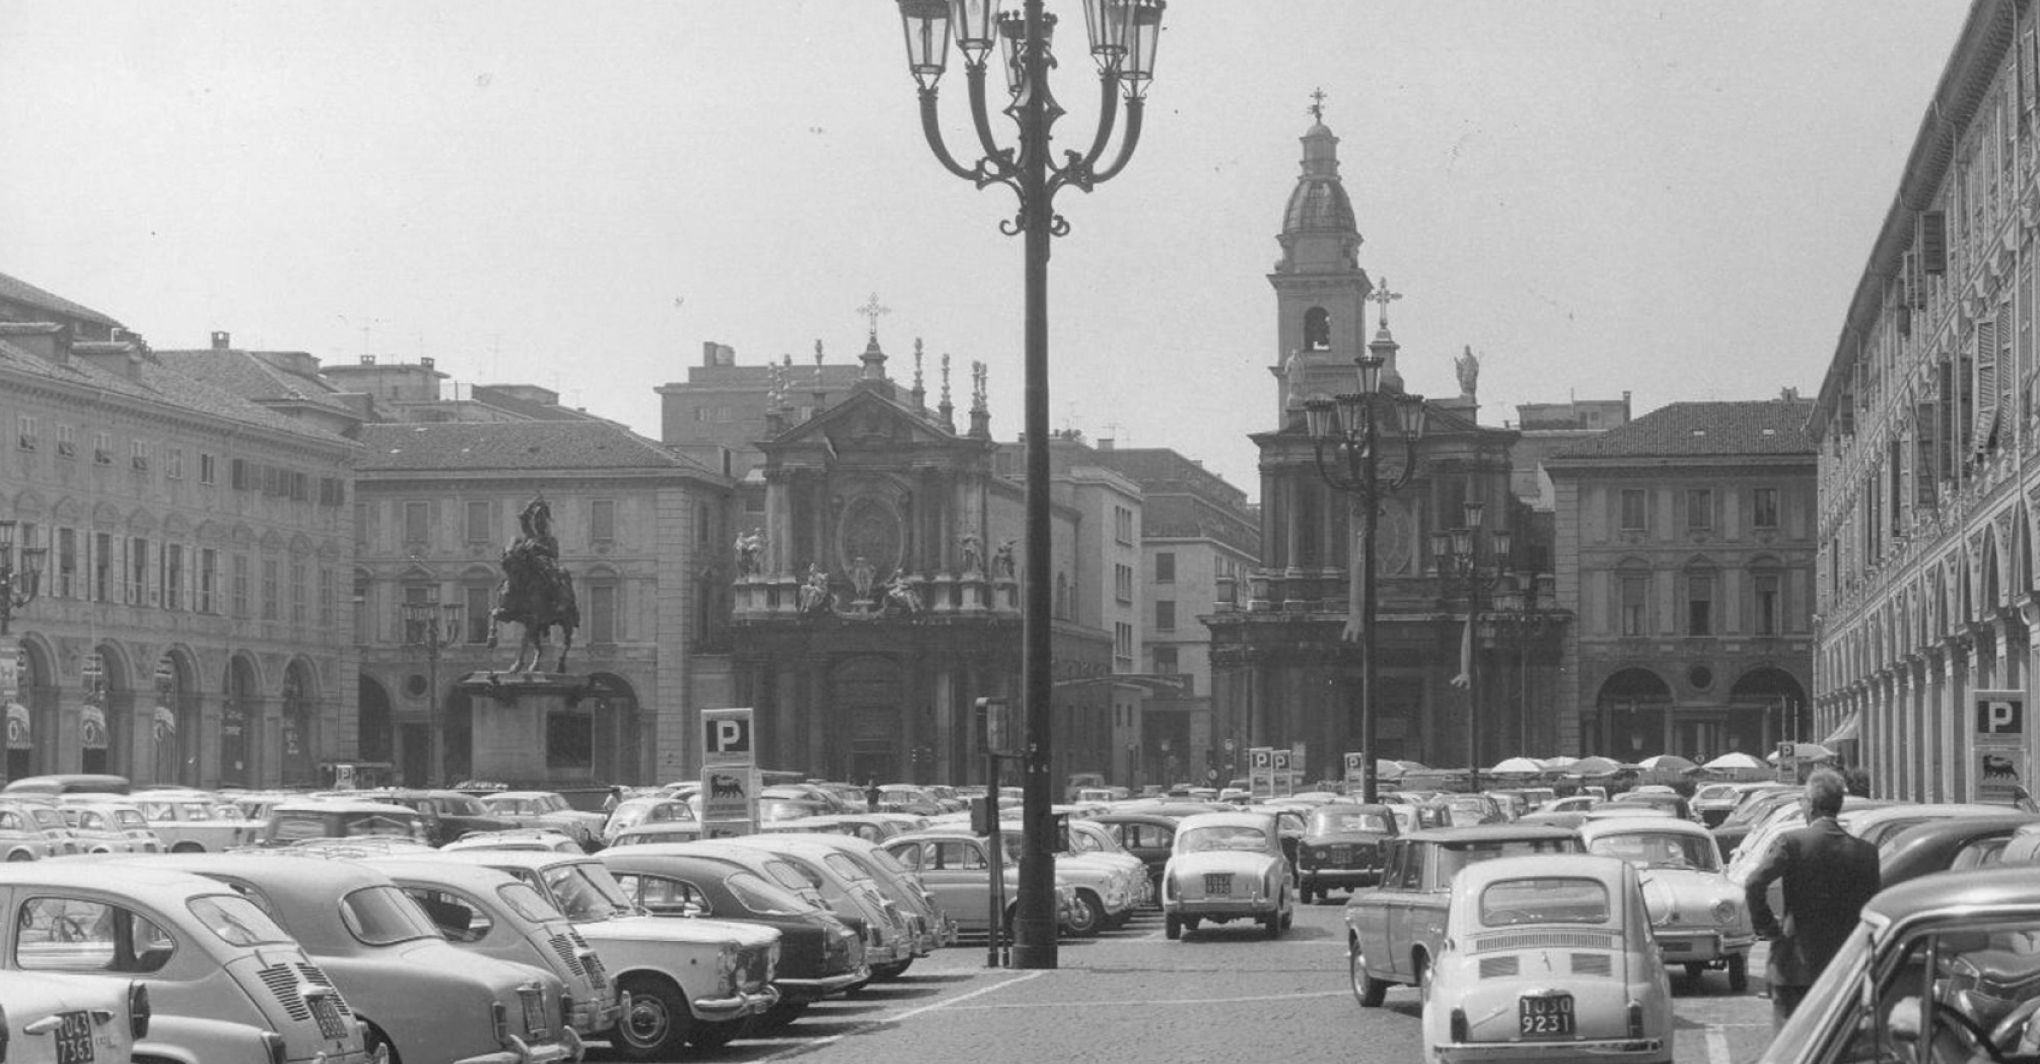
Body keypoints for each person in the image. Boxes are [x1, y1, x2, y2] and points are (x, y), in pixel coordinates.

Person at [1744, 768, 1880, 1031]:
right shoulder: (1866, 852)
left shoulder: (1792, 843)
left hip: (1796, 965)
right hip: (1843, 967)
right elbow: (1870, 908)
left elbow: (1754, 883)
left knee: (1792, 1045)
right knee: (1836, 1044)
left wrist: (1767, 927)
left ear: (1810, 805)